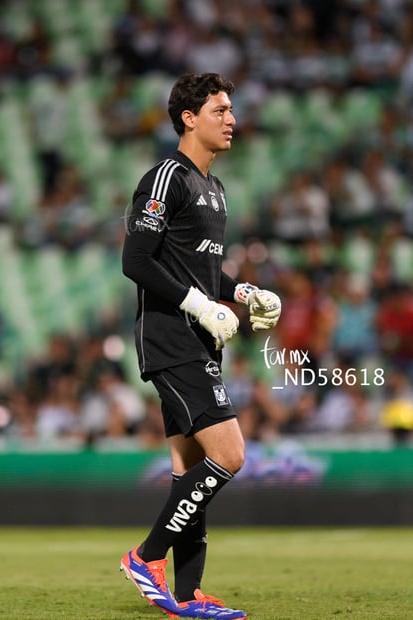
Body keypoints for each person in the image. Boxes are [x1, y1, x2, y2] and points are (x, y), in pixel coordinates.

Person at [120, 72, 281, 620]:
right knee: (230, 454)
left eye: (231, 108)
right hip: (170, 339)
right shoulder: (167, 177)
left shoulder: (216, 190)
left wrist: (241, 292)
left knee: (190, 467)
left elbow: (203, 272)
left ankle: (187, 596)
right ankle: (146, 558)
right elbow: (136, 262)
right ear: (189, 118)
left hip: (199, 341)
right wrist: (198, 305)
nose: (232, 118)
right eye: (220, 109)